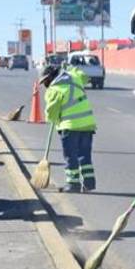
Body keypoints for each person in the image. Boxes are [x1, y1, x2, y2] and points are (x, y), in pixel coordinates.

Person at [41, 63, 97, 193]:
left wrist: (52, 119)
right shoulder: (74, 77)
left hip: (70, 127)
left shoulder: (54, 89)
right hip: (88, 125)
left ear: (51, 78)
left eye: (45, 81)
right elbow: (85, 77)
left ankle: (73, 184)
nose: (45, 84)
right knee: (85, 155)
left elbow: (51, 113)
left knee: (70, 156)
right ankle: (89, 183)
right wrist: (72, 68)